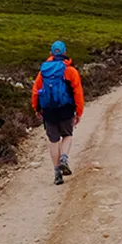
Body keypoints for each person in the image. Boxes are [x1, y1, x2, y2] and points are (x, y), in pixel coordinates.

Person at [31, 40, 85, 185]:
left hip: (48, 111)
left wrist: (36, 108)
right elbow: (78, 93)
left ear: (51, 53)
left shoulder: (43, 71)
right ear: (65, 53)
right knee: (67, 135)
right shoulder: (71, 71)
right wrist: (78, 112)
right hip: (66, 109)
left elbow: (36, 91)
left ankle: (57, 173)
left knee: (53, 141)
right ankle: (64, 158)